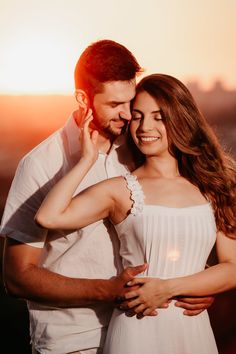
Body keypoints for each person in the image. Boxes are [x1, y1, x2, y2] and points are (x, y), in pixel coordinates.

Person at [1, 39, 213, 354]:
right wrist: (109, 291)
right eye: (115, 105)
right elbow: (17, 277)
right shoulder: (40, 165)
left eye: (132, 102)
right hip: (73, 341)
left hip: (145, 328)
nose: (129, 115)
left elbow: (173, 217)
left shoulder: (140, 146)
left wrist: (194, 283)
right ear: (82, 99)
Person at [35, 73, 236, 354]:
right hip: (135, 331)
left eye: (158, 117)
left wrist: (168, 288)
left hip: (193, 333)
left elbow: (232, 268)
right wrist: (87, 159)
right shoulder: (120, 190)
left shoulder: (215, 185)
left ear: (180, 118)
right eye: (138, 116)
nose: (144, 127)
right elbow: (49, 217)